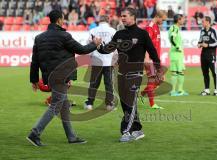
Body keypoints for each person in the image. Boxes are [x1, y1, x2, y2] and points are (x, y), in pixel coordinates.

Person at [27, 10, 101, 146]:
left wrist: (34, 80)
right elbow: (82, 50)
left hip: (49, 76)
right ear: (60, 20)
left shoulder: (39, 38)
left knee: (64, 106)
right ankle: (35, 133)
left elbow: (35, 61)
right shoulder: (64, 36)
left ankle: (71, 137)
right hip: (61, 76)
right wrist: (95, 44)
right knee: (55, 106)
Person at [99, 7, 163, 142]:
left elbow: (153, 53)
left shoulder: (142, 34)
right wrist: (98, 46)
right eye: (121, 16)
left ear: (133, 17)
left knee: (130, 102)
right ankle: (137, 129)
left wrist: (158, 70)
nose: (122, 18)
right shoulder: (119, 34)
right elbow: (107, 49)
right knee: (125, 104)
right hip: (121, 73)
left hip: (135, 74)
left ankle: (126, 131)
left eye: (125, 16)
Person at [84, 15, 117, 111]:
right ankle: (109, 104)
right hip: (109, 61)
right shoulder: (113, 31)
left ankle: (90, 103)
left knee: (94, 83)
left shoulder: (93, 31)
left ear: (99, 21)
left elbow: (88, 44)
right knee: (109, 83)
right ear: (108, 20)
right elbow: (116, 47)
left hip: (96, 61)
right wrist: (115, 59)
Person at [140, 10, 167, 109]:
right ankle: (152, 104)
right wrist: (146, 58)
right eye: (162, 20)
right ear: (158, 17)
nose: (163, 22)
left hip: (156, 59)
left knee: (160, 80)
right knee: (152, 80)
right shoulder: (149, 27)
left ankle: (142, 94)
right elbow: (146, 44)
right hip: (150, 59)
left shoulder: (156, 27)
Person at [198, 16, 217, 96]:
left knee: (214, 73)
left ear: (208, 22)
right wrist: (199, 44)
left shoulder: (214, 30)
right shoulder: (202, 30)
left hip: (211, 55)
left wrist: (208, 45)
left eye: (203, 21)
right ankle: (207, 90)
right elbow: (200, 40)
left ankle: (216, 90)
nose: (202, 23)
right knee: (205, 73)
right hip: (203, 55)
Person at [168, 14, 188, 96]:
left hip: (177, 54)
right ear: (178, 20)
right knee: (176, 72)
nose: (184, 20)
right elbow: (172, 38)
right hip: (176, 53)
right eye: (182, 19)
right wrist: (177, 46)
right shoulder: (174, 28)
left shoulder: (176, 28)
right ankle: (174, 91)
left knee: (179, 72)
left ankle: (179, 90)